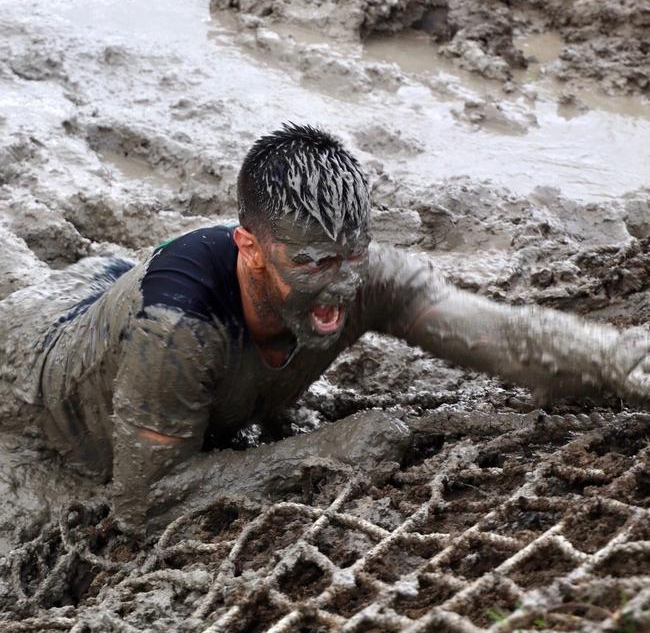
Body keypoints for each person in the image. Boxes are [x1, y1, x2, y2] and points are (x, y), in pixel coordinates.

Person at [1, 123, 649, 532]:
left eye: (351, 256)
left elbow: (495, 333)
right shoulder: (179, 330)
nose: (338, 287)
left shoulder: (357, 276)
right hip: (36, 364)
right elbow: (142, 500)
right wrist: (323, 450)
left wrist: (618, 358)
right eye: (309, 263)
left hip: (108, 291)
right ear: (250, 247)